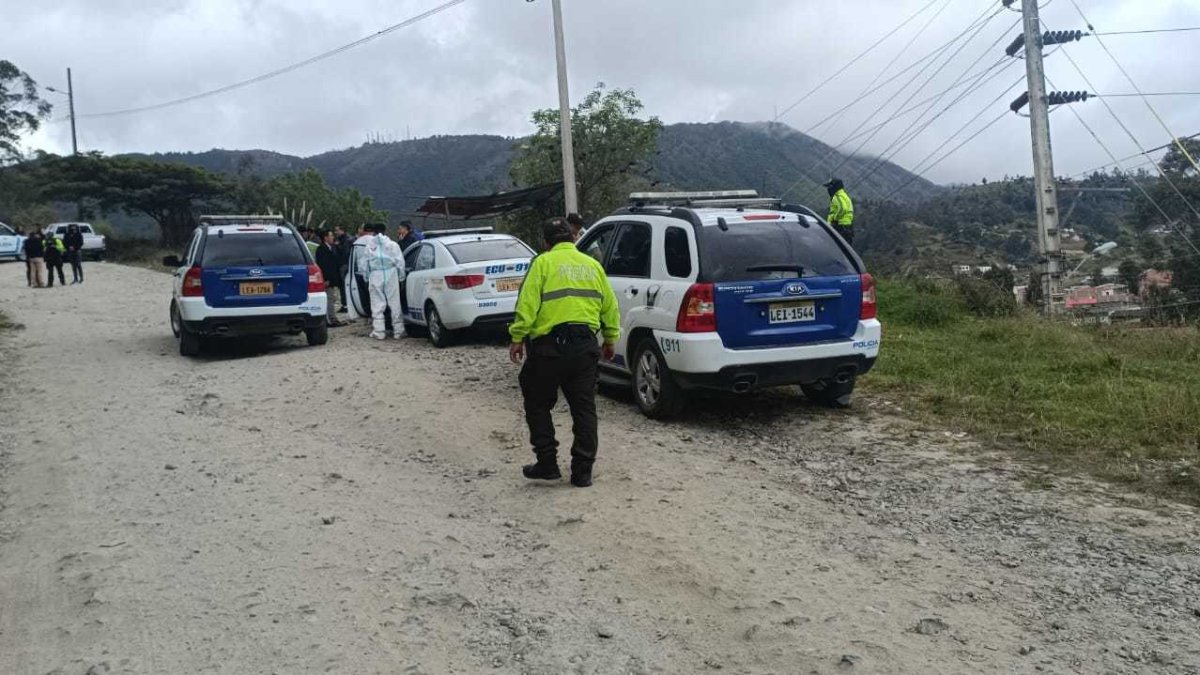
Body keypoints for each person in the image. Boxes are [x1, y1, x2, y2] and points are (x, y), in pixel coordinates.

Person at [508, 219, 620, 488]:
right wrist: (610, 338)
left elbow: (527, 303)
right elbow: (610, 306)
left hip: (548, 348)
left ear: (546, 242)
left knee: (537, 402)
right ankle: (582, 472)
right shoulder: (593, 266)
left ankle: (547, 463)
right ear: (572, 238)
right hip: (584, 346)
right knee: (584, 408)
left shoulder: (543, 264)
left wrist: (517, 337)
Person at [356, 223, 406, 340]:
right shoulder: (393, 245)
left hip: (375, 274)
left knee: (377, 303)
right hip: (391, 273)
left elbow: (364, 264)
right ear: (386, 231)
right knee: (394, 302)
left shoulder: (369, 247)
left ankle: (379, 332)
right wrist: (401, 277)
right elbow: (400, 262)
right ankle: (399, 331)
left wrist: (366, 277)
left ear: (373, 232)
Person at [315, 230, 346, 327]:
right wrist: (326, 279)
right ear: (325, 237)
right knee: (329, 299)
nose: (332, 237)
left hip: (333, 278)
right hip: (327, 279)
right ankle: (330, 319)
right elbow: (324, 265)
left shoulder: (332, 248)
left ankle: (333, 318)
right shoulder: (321, 249)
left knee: (332, 299)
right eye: (331, 235)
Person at [823, 178, 855, 244]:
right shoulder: (845, 195)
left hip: (839, 227)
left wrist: (834, 219)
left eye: (830, 186)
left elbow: (842, 209)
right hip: (847, 226)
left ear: (835, 187)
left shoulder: (837, 196)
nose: (828, 189)